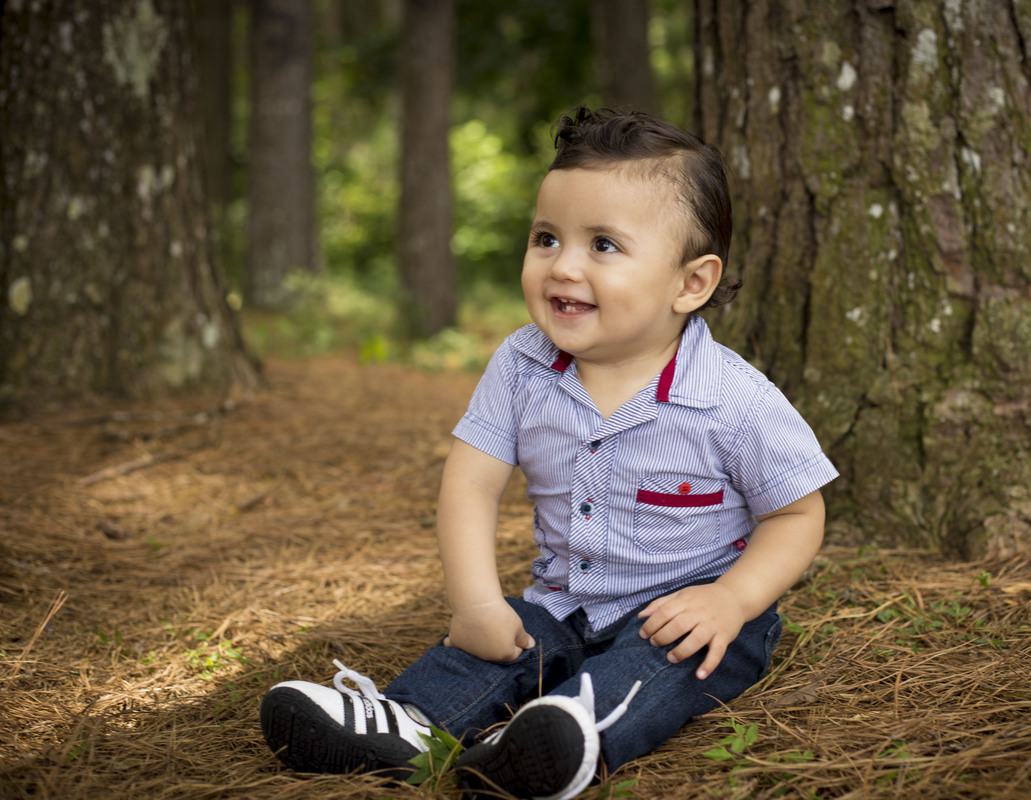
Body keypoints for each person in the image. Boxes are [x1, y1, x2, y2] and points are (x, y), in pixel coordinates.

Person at [259, 107, 838, 800]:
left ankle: (563, 739)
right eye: (546, 238)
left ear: (691, 283)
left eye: (603, 245)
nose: (563, 265)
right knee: (502, 642)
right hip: (563, 602)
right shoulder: (522, 366)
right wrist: (474, 602)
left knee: (667, 664)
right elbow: (471, 484)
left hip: (694, 609)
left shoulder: (733, 400)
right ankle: (405, 723)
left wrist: (732, 599)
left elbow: (797, 514)